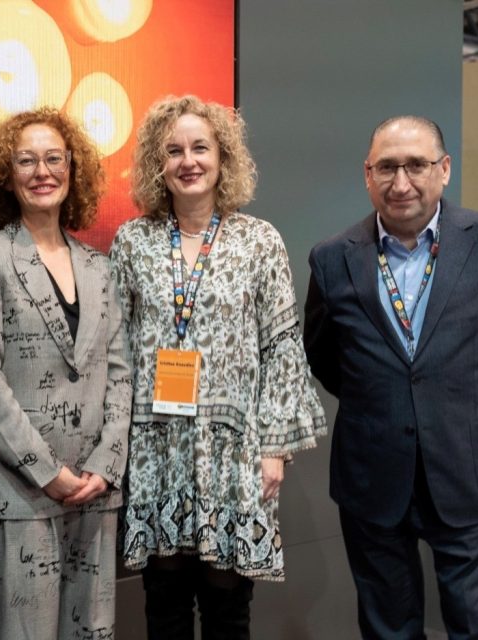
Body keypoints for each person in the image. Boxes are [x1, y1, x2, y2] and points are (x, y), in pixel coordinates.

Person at [109, 95, 326, 639]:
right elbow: (115, 348)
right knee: (164, 606)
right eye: (174, 151)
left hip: (234, 453)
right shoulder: (132, 241)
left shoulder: (260, 241)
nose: (188, 161)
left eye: (200, 148)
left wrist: (274, 447)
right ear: (157, 163)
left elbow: (281, 345)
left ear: (222, 156)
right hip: (156, 449)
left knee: (228, 609)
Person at [304, 115, 478, 639]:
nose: (400, 182)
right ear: (367, 174)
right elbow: (325, 358)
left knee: (476, 627)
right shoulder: (333, 259)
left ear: (444, 169)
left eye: (416, 166)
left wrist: (462, 405)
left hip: (470, 470)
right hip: (374, 475)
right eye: (386, 167)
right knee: (388, 630)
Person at [0, 107, 131, 639]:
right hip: (18, 494)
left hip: (96, 494)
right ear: (5, 176)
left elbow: (121, 373)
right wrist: (48, 472)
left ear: (72, 168)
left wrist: (105, 466)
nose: (42, 171)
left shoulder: (101, 268)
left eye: (54, 158)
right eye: (25, 161)